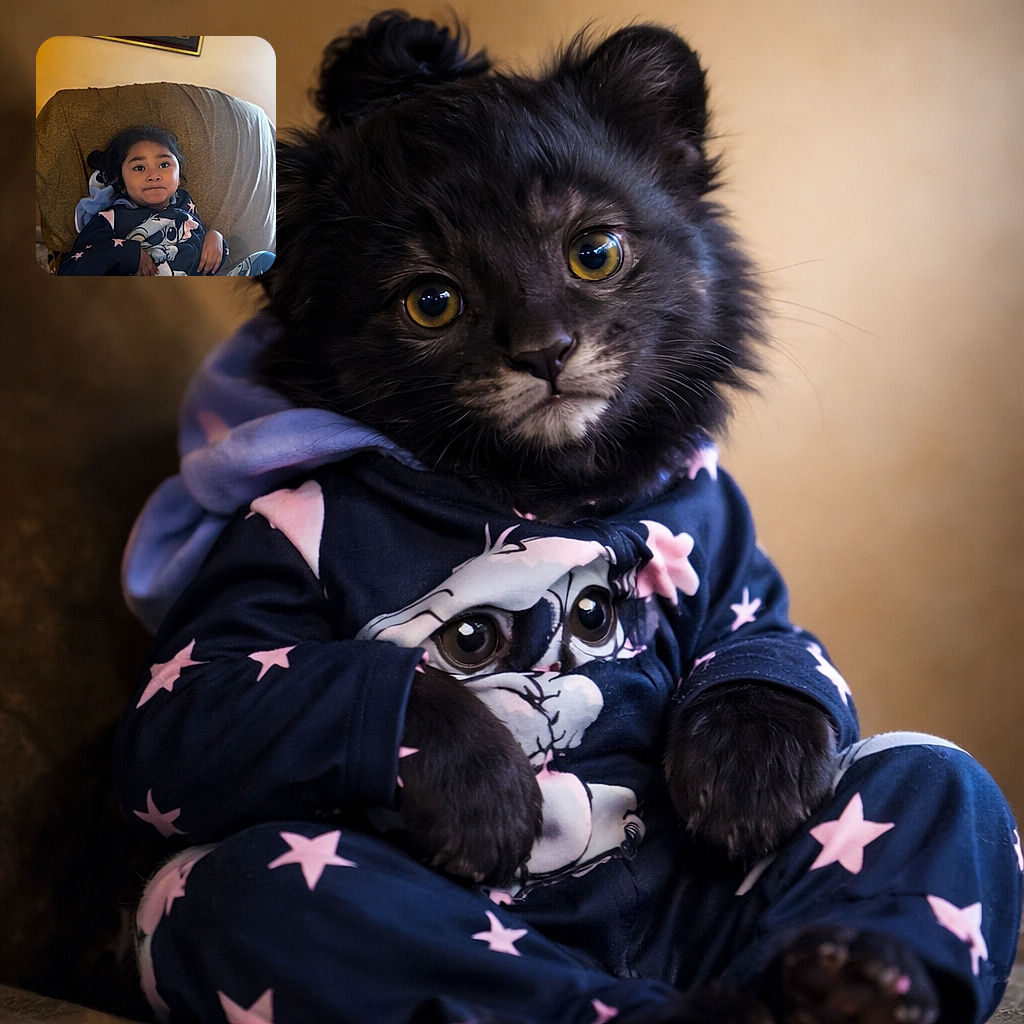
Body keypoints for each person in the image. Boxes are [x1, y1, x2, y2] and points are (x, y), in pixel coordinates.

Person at [57, 124, 227, 276]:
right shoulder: (110, 218)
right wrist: (122, 253)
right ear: (120, 183)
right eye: (139, 168)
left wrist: (215, 238)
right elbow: (69, 270)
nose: (154, 175)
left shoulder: (185, 203)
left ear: (179, 176)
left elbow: (201, 249)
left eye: (164, 165)